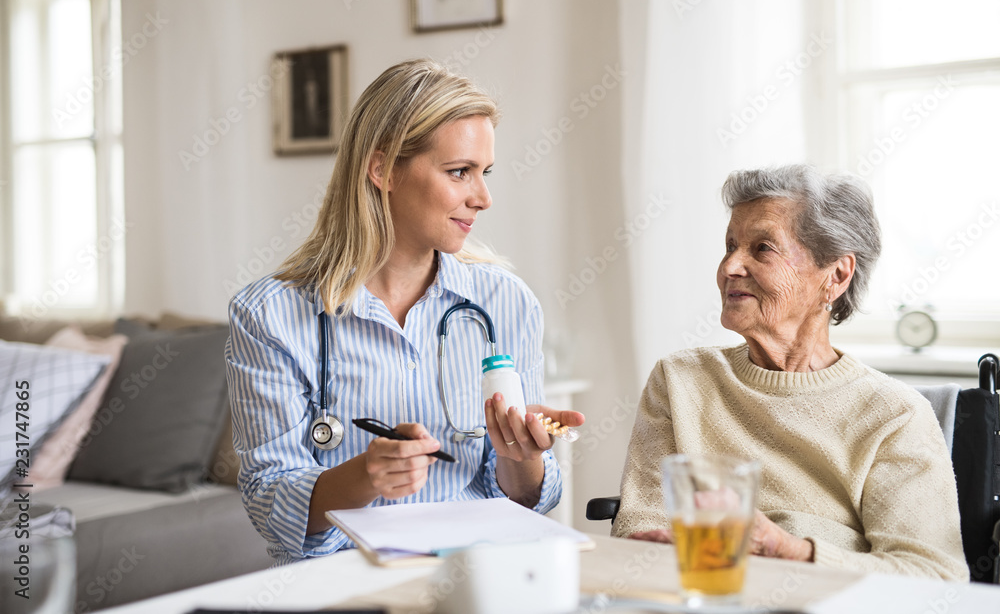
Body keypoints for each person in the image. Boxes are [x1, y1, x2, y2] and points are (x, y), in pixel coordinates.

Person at [226, 58, 584, 565]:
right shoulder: (269, 316)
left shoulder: (507, 303)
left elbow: (526, 499)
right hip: (344, 581)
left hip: (474, 576)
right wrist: (363, 476)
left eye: (484, 173)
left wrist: (520, 455)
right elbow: (269, 503)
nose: (482, 198)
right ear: (382, 168)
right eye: (460, 172)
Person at [613, 165, 969, 580]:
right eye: (729, 245)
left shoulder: (895, 414)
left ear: (835, 276)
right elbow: (640, 528)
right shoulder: (680, 380)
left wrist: (794, 553)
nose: (729, 266)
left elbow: (935, 575)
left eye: (762, 248)